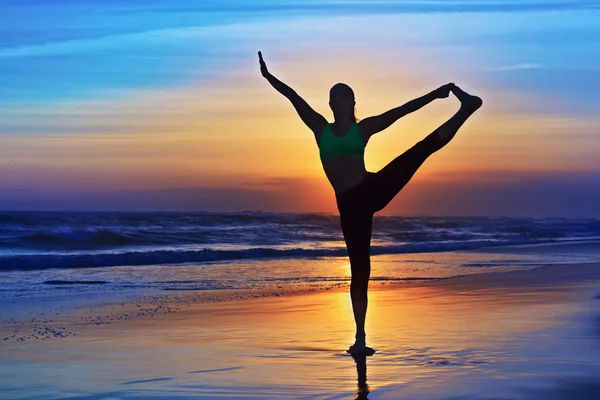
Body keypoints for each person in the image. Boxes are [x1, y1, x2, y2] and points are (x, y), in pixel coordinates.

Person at [258, 51, 482, 356]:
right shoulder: (319, 129)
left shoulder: (362, 129)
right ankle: (360, 338)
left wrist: (434, 95)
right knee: (359, 271)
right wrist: (269, 76)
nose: (340, 99)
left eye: (345, 96)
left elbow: (401, 111)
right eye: (335, 96)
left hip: (371, 189)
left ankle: (466, 108)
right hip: (350, 208)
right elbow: (293, 96)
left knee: (419, 150)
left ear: (352, 104)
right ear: (330, 104)